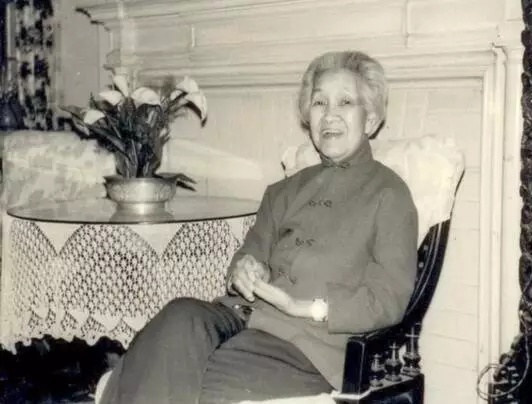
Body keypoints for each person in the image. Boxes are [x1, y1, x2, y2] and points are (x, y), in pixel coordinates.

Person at [99, 50, 418, 404]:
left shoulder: (389, 194)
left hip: (305, 346)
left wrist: (306, 307)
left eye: (345, 102)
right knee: (178, 316)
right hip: (238, 317)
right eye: (319, 102)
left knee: (174, 379)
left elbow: (389, 298)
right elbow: (250, 253)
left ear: (370, 119)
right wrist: (247, 268)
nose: (329, 115)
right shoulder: (284, 190)